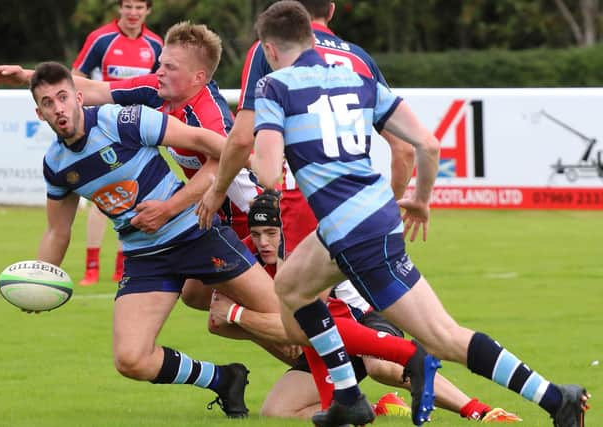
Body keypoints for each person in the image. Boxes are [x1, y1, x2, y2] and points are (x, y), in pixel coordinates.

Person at [225, 2, 588, 426]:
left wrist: (243, 156)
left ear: (269, 50)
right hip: (363, 218)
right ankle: (348, 398)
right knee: (290, 287)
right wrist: (421, 200)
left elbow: (268, 174)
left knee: (444, 337)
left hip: (354, 234)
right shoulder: (356, 74)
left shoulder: (274, 87)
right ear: (312, 35)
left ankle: (555, 397)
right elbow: (428, 145)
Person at [21, 61, 283, 418]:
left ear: (78, 97)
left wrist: (254, 163)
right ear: (40, 113)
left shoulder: (121, 121)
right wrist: (40, 278)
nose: (59, 108)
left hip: (196, 234)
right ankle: (223, 379)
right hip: (145, 257)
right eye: (48, 103)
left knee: (285, 322)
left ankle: (343, 374)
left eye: (63, 97)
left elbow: (201, 140)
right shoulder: (56, 164)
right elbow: (58, 231)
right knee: (131, 359)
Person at [209, 194, 521, 423]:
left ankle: (479, 410)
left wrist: (239, 315)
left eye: (272, 233)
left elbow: (297, 322)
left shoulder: (305, 250)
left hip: (365, 321)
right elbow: (215, 324)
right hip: (324, 344)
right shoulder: (246, 255)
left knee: (380, 365)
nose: (263, 242)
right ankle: (375, 407)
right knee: (277, 411)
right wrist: (261, 331)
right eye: (258, 234)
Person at [198, 0, 416, 259]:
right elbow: (404, 149)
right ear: (331, 11)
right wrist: (387, 210)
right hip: (361, 198)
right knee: (362, 287)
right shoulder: (359, 58)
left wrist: (219, 189)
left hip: (307, 193)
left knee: (295, 294)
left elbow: (243, 137)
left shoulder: (271, 48)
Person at [72, 0, 163, 286]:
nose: (133, 13)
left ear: (147, 10)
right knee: (102, 197)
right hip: (106, 126)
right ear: (120, 9)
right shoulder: (101, 39)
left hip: (142, 130)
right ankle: (91, 267)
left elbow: (162, 85)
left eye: (139, 7)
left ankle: (123, 265)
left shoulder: (156, 44)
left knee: (138, 197)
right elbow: (77, 77)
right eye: (128, 6)